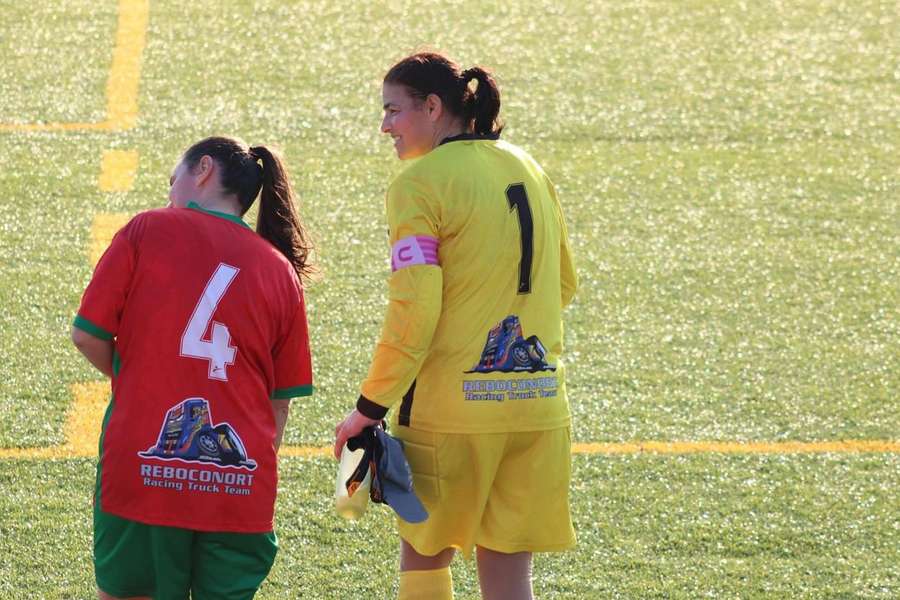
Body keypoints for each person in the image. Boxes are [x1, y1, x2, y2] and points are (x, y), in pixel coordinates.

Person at [333, 52, 577, 600]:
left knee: (424, 554)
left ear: (434, 107)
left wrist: (369, 407)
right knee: (510, 571)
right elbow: (563, 286)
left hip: (452, 412)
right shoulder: (529, 167)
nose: (385, 126)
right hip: (538, 405)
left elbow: (415, 309)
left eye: (394, 110)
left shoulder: (418, 182)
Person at [71, 136, 315, 600]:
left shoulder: (146, 230)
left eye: (173, 180)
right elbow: (279, 405)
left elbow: (87, 335)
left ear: (203, 169)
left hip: (142, 464)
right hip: (239, 479)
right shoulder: (280, 268)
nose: (169, 195)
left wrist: (138, 377)